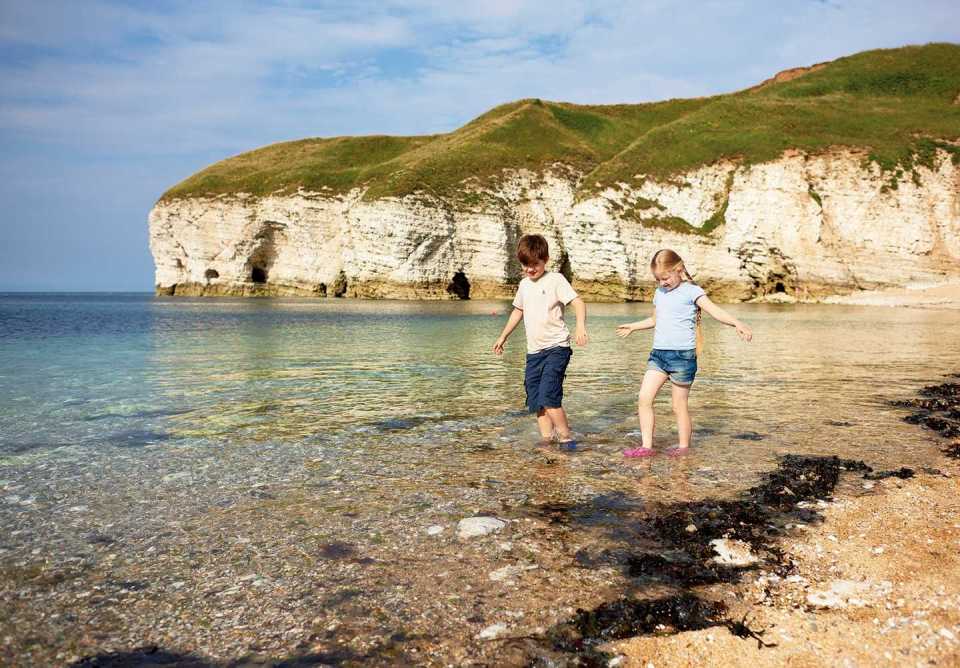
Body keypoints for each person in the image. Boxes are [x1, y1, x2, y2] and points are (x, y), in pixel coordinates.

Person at [616, 249, 752, 457]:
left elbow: (715, 311)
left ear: (678, 270)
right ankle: (646, 447)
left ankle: (683, 447)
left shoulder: (692, 291)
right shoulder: (659, 293)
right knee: (644, 398)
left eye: (666, 278)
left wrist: (737, 323)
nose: (662, 283)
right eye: (658, 279)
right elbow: (655, 320)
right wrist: (633, 326)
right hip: (658, 356)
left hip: (683, 358)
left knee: (678, 406)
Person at [494, 234, 588, 444]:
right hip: (534, 352)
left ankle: (565, 437)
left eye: (534, 264)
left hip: (557, 348)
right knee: (537, 401)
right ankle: (547, 439)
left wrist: (580, 326)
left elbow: (579, 303)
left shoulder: (555, 280)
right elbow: (517, 311)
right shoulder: (524, 285)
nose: (530, 269)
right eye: (525, 265)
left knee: (549, 396)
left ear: (545, 259)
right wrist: (503, 337)